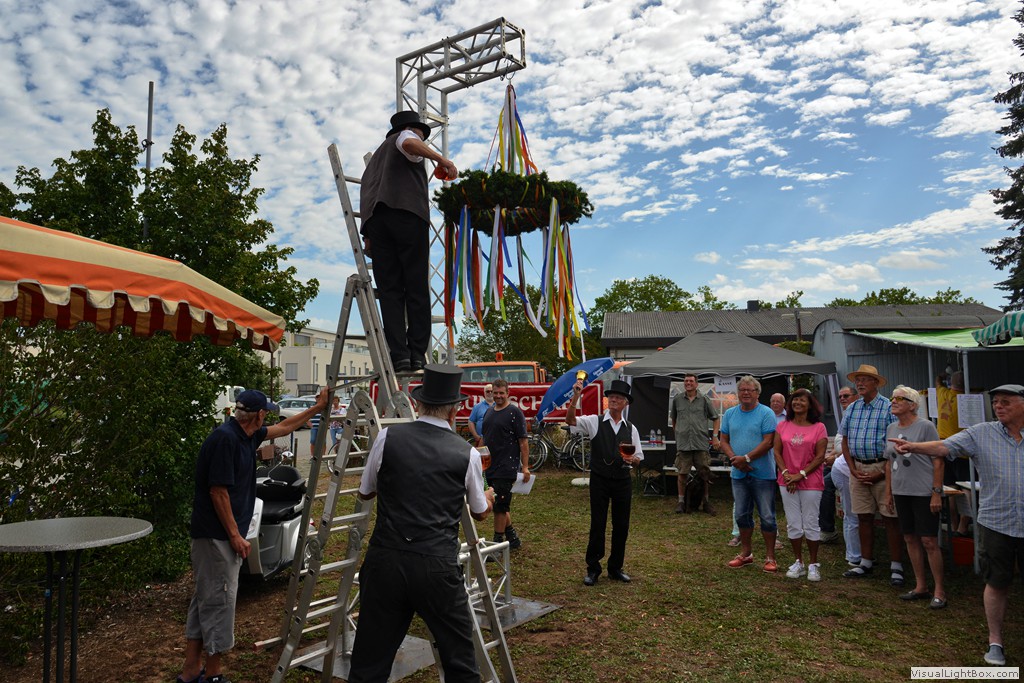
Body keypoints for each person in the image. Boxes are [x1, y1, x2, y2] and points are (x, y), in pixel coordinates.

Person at [347, 364, 493, 683]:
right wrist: (489, 497)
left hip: (387, 559)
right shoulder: (466, 453)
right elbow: (480, 512)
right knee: (460, 663)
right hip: (436, 564)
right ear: (454, 410)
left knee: (369, 663)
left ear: (418, 403)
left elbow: (365, 491)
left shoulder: (388, 437)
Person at [177, 388, 328, 683]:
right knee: (220, 601)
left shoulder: (247, 435)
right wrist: (235, 535)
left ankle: (191, 670)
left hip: (219, 536)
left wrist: (317, 408)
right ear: (258, 415)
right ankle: (213, 674)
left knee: (206, 599)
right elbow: (218, 492)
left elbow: (284, 427)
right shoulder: (226, 440)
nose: (268, 418)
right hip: (216, 537)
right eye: (265, 413)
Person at [890, 383, 1024, 667]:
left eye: (1006, 402)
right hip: (997, 522)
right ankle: (995, 642)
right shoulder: (981, 433)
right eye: (996, 402)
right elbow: (943, 446)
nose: (998, 406)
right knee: (996, 582)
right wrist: (912, 446)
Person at [359, 110, 458, 373]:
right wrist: (442, 160)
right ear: (414, 130)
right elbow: (408, 142)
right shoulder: (405, 136)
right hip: (406, 215)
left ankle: (399, 355)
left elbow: (367, 196)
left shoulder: (374, 164)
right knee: (416, 287)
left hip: (377, 224)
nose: (421, 139)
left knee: (390, 291)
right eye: (421, 135)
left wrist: (367, 234)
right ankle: (416, 354)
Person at [566, 378, 644, 586]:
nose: (614, 400)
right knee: (597, 524)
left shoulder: (631, 429)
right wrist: (575, 396)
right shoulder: (594, 421)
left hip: (622, 480)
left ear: (625, 402)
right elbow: (570, 421)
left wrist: (633, 460)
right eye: (611, 397)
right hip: (600, 479)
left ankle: (615, 568)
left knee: (621, 525)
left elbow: (639, 458)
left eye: (618, 397)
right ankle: (593, 569)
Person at [839, 364, 904, 586]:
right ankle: (865, 562)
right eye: (857, 380)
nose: (860, 383)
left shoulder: (888, 407)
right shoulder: (852, 408)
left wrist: (880, 473)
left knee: (890, 518)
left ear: (876, 383)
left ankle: (896, 566)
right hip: (858, 468)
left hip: (883, 469)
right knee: (863, 516)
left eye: (865, 379)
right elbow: (845, 441)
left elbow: (896, 445)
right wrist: (852, 468)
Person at [883, 386, 945, 609]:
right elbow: (889, 463)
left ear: (912, 405)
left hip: (923, 491)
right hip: (901, 490)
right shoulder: (891, 427)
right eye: (892, 398)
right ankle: (921, 586)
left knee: (929, 540)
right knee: (909, 537)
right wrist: (888, 492)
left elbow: (938, 460)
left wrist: (936, 492)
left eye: (899, 398)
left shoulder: (926, 426)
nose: (893, 401)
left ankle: (939, 590)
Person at [721, 376, 779, 573]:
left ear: (757, 393)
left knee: (767, 516)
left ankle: (770, 557)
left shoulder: (766, 413)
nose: (746, 393)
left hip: (763, 474)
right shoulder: (730, 413)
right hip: (738, 474)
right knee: (741, 515)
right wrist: (734, 459)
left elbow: (768, 442)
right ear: (738, 393)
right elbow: (723, 440)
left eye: (750, 390)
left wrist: (745, 458)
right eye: (742, 389)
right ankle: (746, 554)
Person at [774, 389, 828, 582]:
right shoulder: (782, 426)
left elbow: (820, 457)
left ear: (810, 404)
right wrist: (787, 474)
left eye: (802, 400)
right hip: (787, 481)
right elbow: (777, 452)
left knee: (811, 522)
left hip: (811, 481)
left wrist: (800, 475)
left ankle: (813, 564)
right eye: (795, 399)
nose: (797, 402)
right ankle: (799, 562)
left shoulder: (819, 427)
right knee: (793, 523)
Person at [481, 379, 531, 550]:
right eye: (495, 393)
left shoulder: (515, 412)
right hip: (489, 466)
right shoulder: (489, 412)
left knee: (500, 507)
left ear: (508, 393)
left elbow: (523, 442)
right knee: (498, 504)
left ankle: (497, 545)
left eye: (501, 393)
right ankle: (512, 537)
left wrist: (525, 467)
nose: (498, 396)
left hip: (506, 467)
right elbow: (484, 438)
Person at [668, 373, 720, 515]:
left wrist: (715, 437)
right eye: (686, 381)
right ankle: (681, 502)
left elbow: (716, 418)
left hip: (700, 443)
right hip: (684, 443)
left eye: (691, 381)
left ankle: (706, 502)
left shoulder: (704, 399)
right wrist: (678, 434)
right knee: (682, 473)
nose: (688, 383)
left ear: (696, 384)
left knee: (704, 474)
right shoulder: (677, 399)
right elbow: (674, 419)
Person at [826, 386, 862, 567]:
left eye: (845, 396)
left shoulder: (857, 413)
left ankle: (861, 554)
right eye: (839, 397)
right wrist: (833, 455)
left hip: (853, 466)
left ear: (856, 396)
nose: (842, 399)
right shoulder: (847, 415)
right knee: (851, 514)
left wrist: (835, 455)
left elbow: (846, 445)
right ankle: (853, 554)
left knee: (859, 514)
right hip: (844, 468)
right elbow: (841, 444)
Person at [937, 371, 973, 535]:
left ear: (950, 383)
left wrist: (942, 376)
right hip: (963, 450)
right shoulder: (968, 400)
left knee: (950, 488)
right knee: (967, 488)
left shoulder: (942, 393)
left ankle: (953, 524)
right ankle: (963, 526)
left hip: (945, 448)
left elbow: (938, 382)